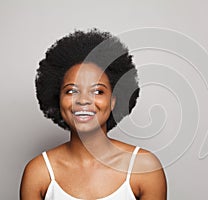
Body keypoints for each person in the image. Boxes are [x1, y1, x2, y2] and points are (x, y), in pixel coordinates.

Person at [20, 29, 167, 200]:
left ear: (113, 101)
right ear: (58, 98)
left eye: (97, 91)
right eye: (71, 91)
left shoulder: (144, 168)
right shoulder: (39, 172)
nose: (83, 100)